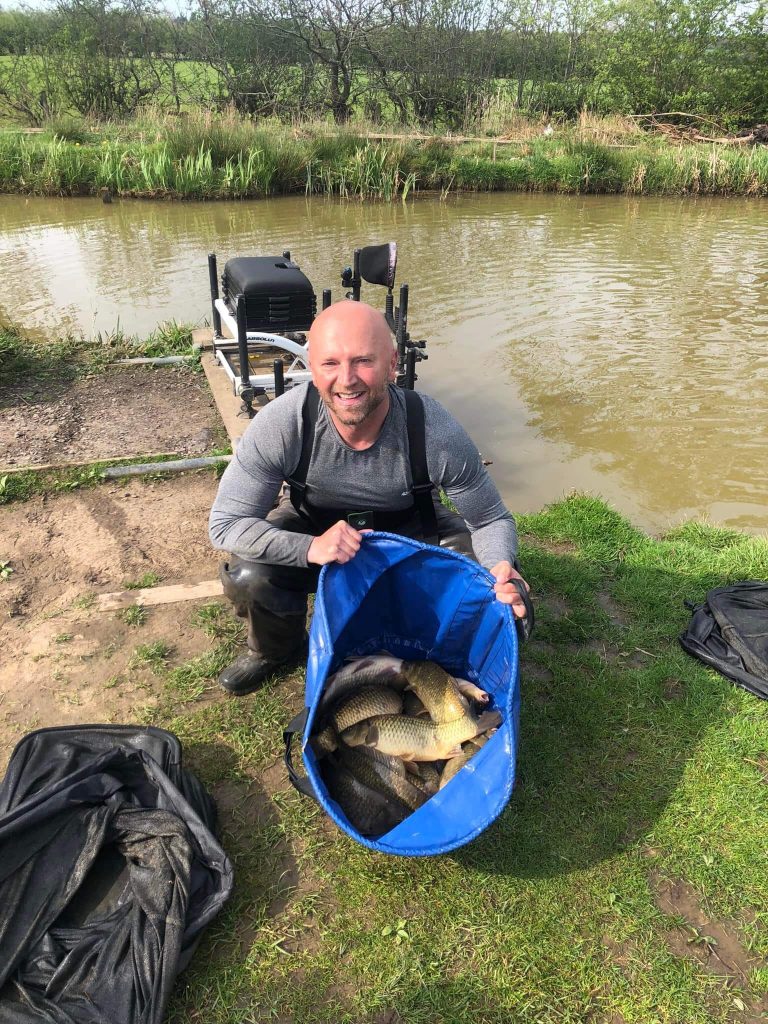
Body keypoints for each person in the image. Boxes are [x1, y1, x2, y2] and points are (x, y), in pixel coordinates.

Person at [209, 300, 530, 695]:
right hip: (316, 529)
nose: (347, 380)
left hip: (411, 531)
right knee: (250, 574)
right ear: (311, 365)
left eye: (363, 361)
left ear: (392, 363)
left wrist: (499, 566)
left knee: (486, 582)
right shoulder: (282, 423)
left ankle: (447, 655)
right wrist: (310, 548)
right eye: (330, 364)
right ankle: (276, 649)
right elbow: (227, 524)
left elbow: (490, 519)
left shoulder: (434, 430)